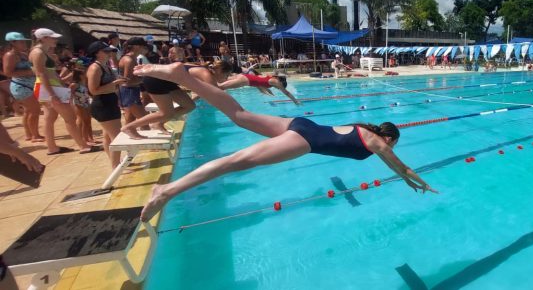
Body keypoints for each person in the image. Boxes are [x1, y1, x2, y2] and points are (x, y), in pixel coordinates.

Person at [133, 62, 438, 222]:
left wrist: (408, 179)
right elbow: (402, 167)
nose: (391, 148)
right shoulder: (377, 143)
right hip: (303, 138)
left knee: (238, 114)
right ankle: (166, 191)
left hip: (302, 125)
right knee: (233, 162)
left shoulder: (363, 128)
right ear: (389, 138)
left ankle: (185, 79)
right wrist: (418, 183)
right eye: (393, 143)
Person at [30, 28, 98, 155]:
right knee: (70, 118)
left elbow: (48, 74)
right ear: (43, 38)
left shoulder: (40, 51)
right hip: (48, 89)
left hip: (46, 88)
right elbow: (41, 74)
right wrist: (52, 94)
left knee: (50, 118)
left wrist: (61, 84)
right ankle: (83, 146)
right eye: (53, 37)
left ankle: (52, 147)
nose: (56, 40)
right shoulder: (38, 53)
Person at [86, 41, 127, 167]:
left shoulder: (106, 66)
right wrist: (115, 84)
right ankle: (115, 166)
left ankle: (114, 162)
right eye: (106, 51)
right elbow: (93, 90)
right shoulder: (95, 68)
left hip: (109, 103)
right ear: (97, 53)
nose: (109, 53)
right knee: (116, 137)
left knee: (108, 137)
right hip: (103, 105)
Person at [3, 32, 43, 142]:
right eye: (21, 41)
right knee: (35, 110)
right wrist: (30, 71)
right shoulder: (10, 55)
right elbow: (8, 73)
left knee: (28, 111)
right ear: (12, 43)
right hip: (20, 87)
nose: (24, 43)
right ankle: (35, 136)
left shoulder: (22, 54)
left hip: (28, 86)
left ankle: (29, 135)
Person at [219, 71, 301, 105]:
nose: (278, 89)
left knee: (221, 83)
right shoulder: (275, 82)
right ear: (280, 83)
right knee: (221, 87)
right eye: (279, 88)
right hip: (246, 80)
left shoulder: (270, 79)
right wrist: (296, 101)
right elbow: (286, 92)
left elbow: (260, 84)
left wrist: (270, 94)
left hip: (245, 77)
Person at [118, 37, 148, 127]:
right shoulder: (129, 60)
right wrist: (144, 79)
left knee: (131, 119)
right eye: (144, 47)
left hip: (131, 91)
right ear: (137, 47)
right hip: (128, 91)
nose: (145, 49)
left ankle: (129, 137)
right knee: (144, 121)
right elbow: (127, 81)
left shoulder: (131, 58)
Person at [69, 64, 96, 146]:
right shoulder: (74, 85)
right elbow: (69, 95)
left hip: (86, 102)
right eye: (84, 74)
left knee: (88, 121)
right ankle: (84, 139)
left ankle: (90, 138)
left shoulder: (83, 83)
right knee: (83, 121)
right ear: (80, 75)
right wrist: (72, 105)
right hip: (78, 103)